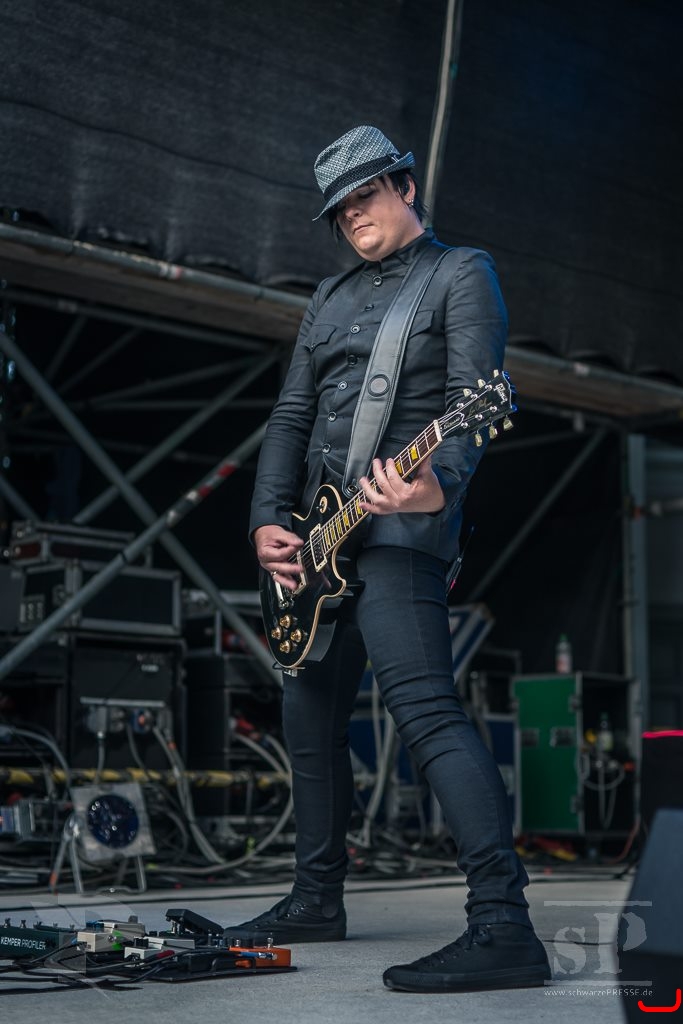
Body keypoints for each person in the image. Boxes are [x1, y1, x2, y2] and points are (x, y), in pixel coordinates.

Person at [226, 125, 550, 993]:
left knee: (426, 714)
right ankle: (313, 900)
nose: (352, 216)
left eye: (365, 195)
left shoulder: (460, 272)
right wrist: (265, 523)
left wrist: (434, 488)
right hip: (316, 546)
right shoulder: (327, 296)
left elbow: (472, 402)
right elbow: (290, 418)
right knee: (307, 724)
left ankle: (503, 924)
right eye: (339, 209)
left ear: (405, 186)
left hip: (401, 533)